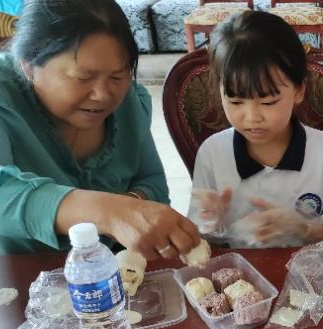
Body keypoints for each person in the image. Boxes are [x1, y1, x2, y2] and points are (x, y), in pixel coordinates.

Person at [0, 0, 200, 259]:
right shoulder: (5, 97)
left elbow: (152, 182)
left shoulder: (129, 102)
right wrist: (108, 212)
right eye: (83, 78)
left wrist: (132, 209)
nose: (103, 95)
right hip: (23, 273)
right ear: (28, 66)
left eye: (117, 77)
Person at [189, 11, 323, 248]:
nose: (252, 117)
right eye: (236, 101)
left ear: (299, 91)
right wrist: (211, 223)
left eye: (268, 102)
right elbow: (203, 241)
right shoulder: (212, 153)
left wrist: (302, 228)